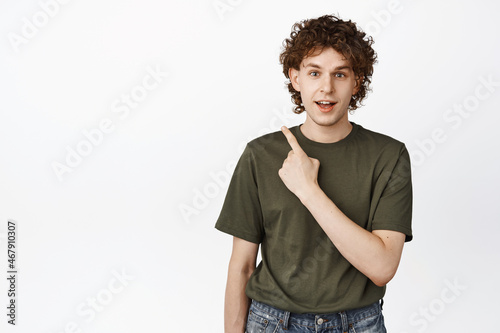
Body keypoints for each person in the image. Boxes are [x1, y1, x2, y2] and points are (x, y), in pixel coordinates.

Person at [215, 14, 413, 333]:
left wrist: (309, 191)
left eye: (340, 74)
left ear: (357, 81)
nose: (326, 88)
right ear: (296, 79)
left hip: (358, 322)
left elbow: (382, 267)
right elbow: (241, 266)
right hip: (272, 321)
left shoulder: (389, 156)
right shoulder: (259, 155)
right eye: (314, 72)